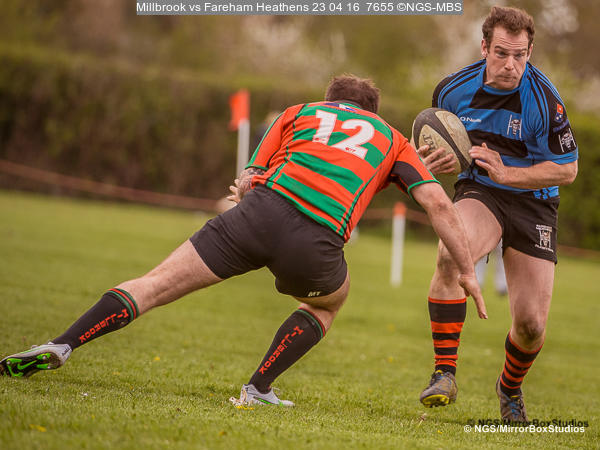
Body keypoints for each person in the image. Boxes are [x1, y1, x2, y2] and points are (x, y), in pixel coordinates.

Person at [0, 75, 486, 407]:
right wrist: (466, 270)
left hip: (256, 216)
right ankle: (258, 388)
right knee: (328, 303)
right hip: (314, 243)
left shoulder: (298, 112)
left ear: (329, 99)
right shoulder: (393, 139)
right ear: (372, 112)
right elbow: (438, 205)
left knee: (153, 284)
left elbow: (248, 181)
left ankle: (61, 345)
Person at [416, 6, 578, 422]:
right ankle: (444, 373)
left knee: (531, 326)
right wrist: (436, 160)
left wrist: (509, 172)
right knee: (450, 254)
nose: (510, 65)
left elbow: (567, 170)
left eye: (520, 55)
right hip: (482, 191)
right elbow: (443, 146)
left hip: (535, 201)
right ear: (484, 47)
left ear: (529, 52)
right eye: (502, 53)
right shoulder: (452, 91)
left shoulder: (545, 101)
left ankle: (509, 388)